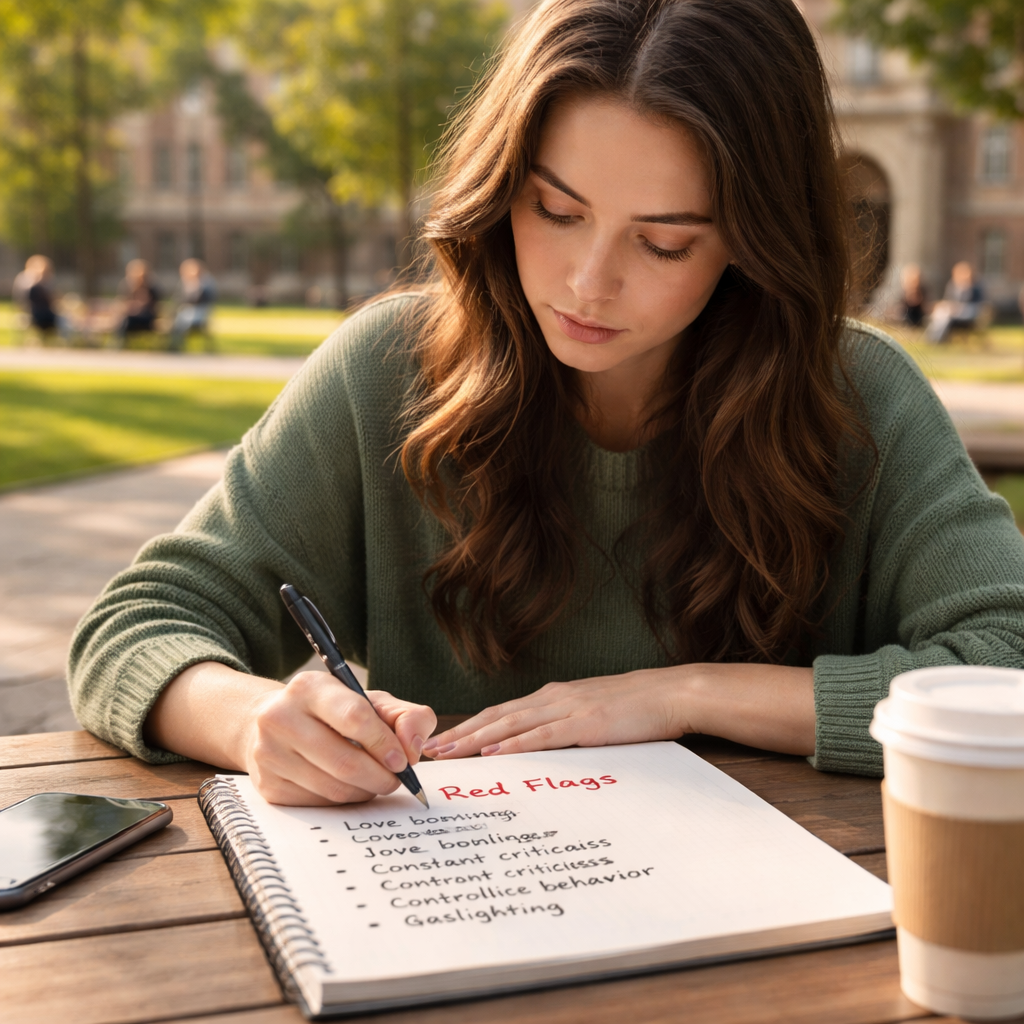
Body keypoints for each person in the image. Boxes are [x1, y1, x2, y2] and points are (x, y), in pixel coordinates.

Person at [69, 0, 1024, 808]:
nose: (586, 283)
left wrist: (685, 695)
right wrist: (251, 721)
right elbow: (138, 624)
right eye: (556, 212)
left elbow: (1008, 666)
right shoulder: (387, 372)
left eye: (664, 243)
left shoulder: (858, 397)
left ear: (751, 240)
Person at [926, 261, 985, 343]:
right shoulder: (952, 285)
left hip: (969, 313)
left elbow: (977, 305)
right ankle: (933, 336)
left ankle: (938, 338)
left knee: (945, 315)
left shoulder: (975, 287)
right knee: (941, 313)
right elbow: (948, 300)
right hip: (953, 312)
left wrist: (966, 289)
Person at [169, 258, 216, 352]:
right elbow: (179, 298)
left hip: (199, 311)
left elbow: (205, 299)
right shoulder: (184, 282)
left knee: (184, 319)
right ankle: (174, 345)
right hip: (185, 310)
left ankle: (176, 345)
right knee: (177, 318)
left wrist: (197, 287)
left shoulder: (205, 283)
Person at [114, 259, 161, 346]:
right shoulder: (127, 286)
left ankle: (120, 344)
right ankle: (119, 344)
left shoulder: (151, 287)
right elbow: (122, 303)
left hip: (146, 318)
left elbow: (154, 306)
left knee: (127, 320)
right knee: (123, 320)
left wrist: (140, 306)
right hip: (131, 317)